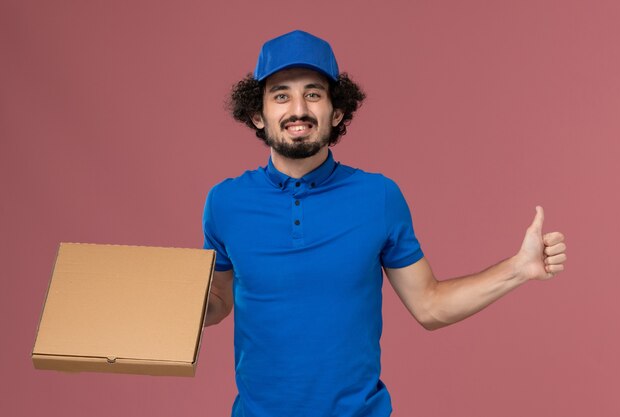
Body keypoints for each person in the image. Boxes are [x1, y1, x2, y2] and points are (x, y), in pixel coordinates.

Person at [202, 30, 567, 417]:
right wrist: (154, 307)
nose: (298, 109)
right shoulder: (225, 203)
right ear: (257, 114)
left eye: (313, 94)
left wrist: (519, 268)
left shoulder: (378, 197)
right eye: (281, 95)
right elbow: (218, 303)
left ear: (336, 111)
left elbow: (430, 305)